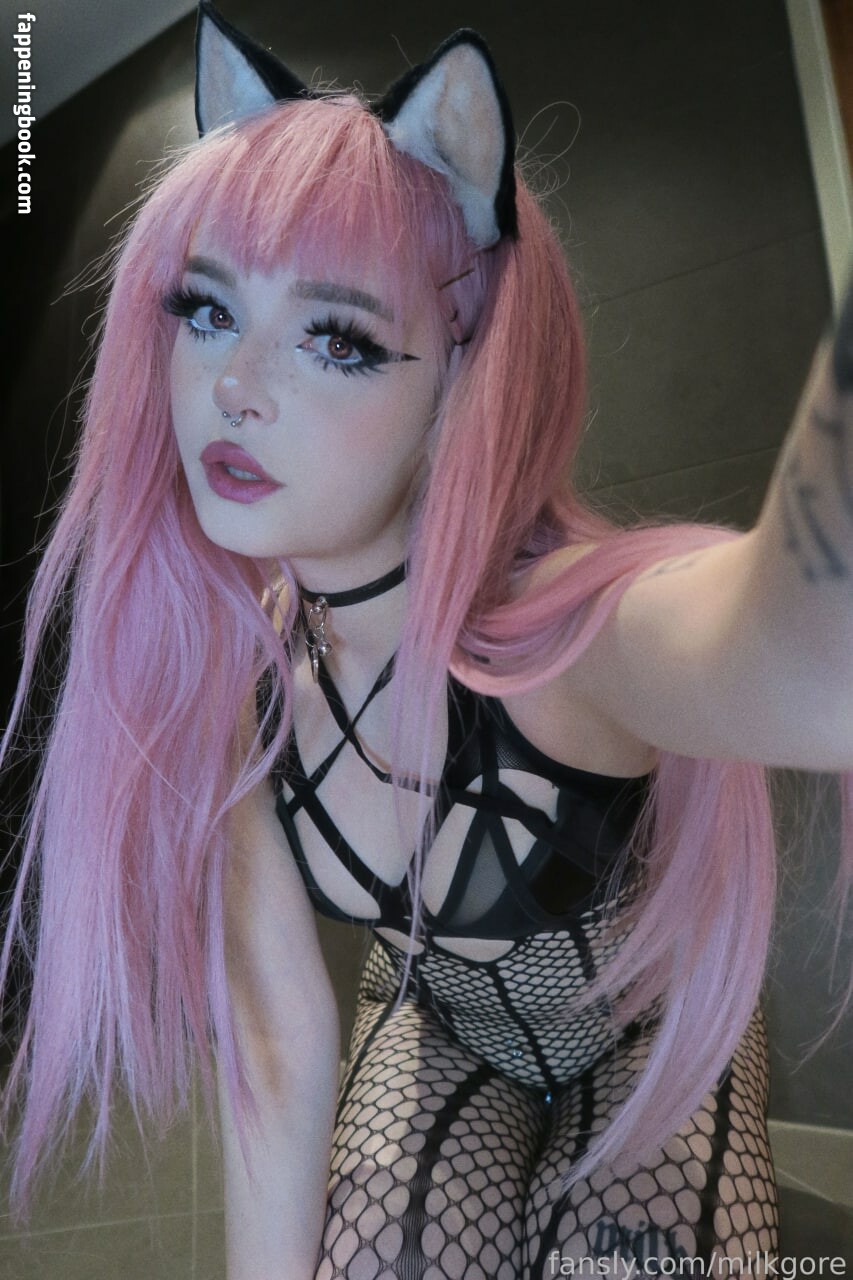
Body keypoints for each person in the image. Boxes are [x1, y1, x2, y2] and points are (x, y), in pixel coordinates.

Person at [1, 3, 851, 1276]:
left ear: (466, 375)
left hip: (642, 1038)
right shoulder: (230, 686)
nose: (233, 385)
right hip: (431, 1026)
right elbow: (276, 1046)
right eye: (208, 309)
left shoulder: (571, 634)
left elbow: (808, 665)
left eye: (336, 335)